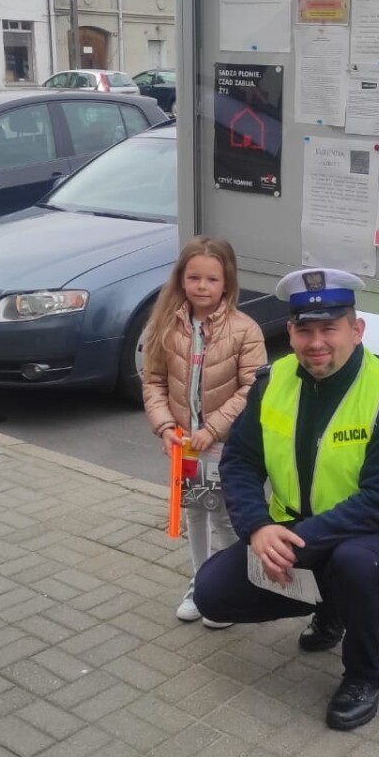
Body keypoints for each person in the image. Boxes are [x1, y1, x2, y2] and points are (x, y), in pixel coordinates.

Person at [194, 267, 379, 730]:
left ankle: (367, 673)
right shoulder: (272, 381)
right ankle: (332, 606)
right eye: (304, 330)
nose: (316, 342)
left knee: (357, 566)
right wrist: (259, 529)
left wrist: (295, 541)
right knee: (212, 594)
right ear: (289, 331)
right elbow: (241, 462)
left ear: (356, 329)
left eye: (330, 327)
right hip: (298, 531)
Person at [142, 235, 267, 621]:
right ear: (181, 279)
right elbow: (153, 381)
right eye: (194, 277)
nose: (201, 286)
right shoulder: (166, 325)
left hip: (227, 446)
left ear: (226, 282)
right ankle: (201, 584)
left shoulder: (245, 330)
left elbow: (252, 387)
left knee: (225, 518)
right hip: (186, 445)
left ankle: (230, 590)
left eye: (211, 280)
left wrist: (213, 428)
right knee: (195, 513)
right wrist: (165, 427)